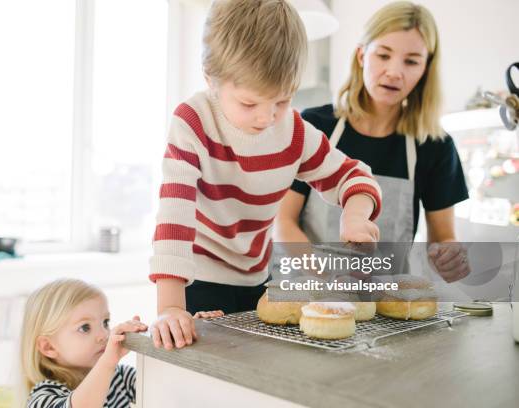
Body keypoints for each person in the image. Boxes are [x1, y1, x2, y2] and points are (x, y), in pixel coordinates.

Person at [148, 0, 383, 351]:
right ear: (211, 79)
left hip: (259, 283)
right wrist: (169, 307)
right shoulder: (193, 122)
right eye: (249, 103)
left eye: (282, 101)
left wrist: (355, 214)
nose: (267, 117)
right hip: (194, 283)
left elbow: (351, 174)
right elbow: (174, 215)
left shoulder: (293, 132)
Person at [274, 1, 469, 283]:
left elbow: (442, 239)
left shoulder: (435, 146)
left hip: (388, 308)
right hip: (310, 292)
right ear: (362, 55)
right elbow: (284, 222)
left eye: (411, 61)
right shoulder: (316, 126)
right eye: (383, 55)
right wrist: (329, 281)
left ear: (426, 69)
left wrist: (451, 257)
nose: (394, 72)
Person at [19, 279, 222, 407]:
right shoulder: (43, 395)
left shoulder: (119, 377)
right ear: (48, 347)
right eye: (85, 328)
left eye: (105, 322)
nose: (103, 335)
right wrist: (108, 361)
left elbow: (167, 384)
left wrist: (189, 333)